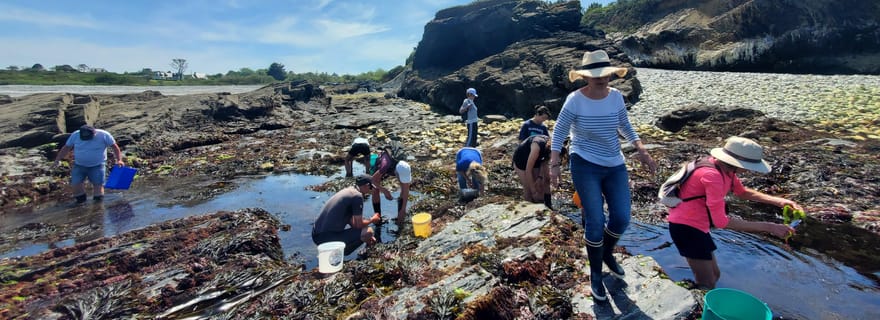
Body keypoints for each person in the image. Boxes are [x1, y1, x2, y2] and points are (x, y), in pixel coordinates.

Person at [548, 49, 657, 302]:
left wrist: (641, 149)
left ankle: (606, 252)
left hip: (615, 163)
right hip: (584, 163)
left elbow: (624, 124)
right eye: (595, 75)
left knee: (621, 217)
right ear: (586, 77)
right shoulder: (575, 100)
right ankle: (595, 274)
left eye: (605, 74)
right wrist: (554, 165)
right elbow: (560, 131)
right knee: (595, 221)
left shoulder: (616, 97)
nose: (601, 79)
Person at [667, 136, 800, 290]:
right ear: (737, 163)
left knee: (714, 276)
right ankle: (693, 308)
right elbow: (721, 222)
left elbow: (742, 192)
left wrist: (778, 201)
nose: (750, 169)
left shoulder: (723, 169)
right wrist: (770, 227)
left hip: (698, 226)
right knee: (707, 282)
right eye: (749, 165)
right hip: (686, 228)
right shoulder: (712, 176)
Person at [312, 174, 382, 256]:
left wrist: (367, 238)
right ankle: (338, 253)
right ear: (367, 185)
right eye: (371, 187)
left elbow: (353, 223)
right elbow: (358, 225)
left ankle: (336, 251)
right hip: (326, 238)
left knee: (365, 232)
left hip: (316, 236)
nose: (372, 190)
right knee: (369, 231)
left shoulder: (349, 191)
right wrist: (372, 220)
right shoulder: (357, 196)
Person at [54, 125, 124, 203]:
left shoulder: (104, 135)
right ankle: (80, 206)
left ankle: (98, 209)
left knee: (98, 186)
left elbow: (115, 147)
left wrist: (119, 160)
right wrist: (57, 159)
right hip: (79, 165)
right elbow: (66, 147)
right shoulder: (75, 135)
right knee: (76, 185)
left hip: (98, 166)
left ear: (94, 133)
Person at [370, 146, 412, 219]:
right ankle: (377, 216)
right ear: (396, 173)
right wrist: (384, 191)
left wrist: (403, 209)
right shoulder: (385, 165)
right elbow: (372, 180)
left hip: (393, 165)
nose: (401, 180)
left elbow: (406, 190)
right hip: (379, 164)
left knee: (404, 187)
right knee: (375, 189)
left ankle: (400, 214)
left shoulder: (405, 167)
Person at [513, 135, 553, 209]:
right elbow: (528, 170)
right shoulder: (537, 146)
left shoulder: (552, 147)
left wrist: (540, 177)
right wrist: (533, 191)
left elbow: (544, 162)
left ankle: (548, 205)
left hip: (537, 160)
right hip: (521, 161)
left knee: (542, 183)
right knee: (528, 189)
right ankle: (528, 210)